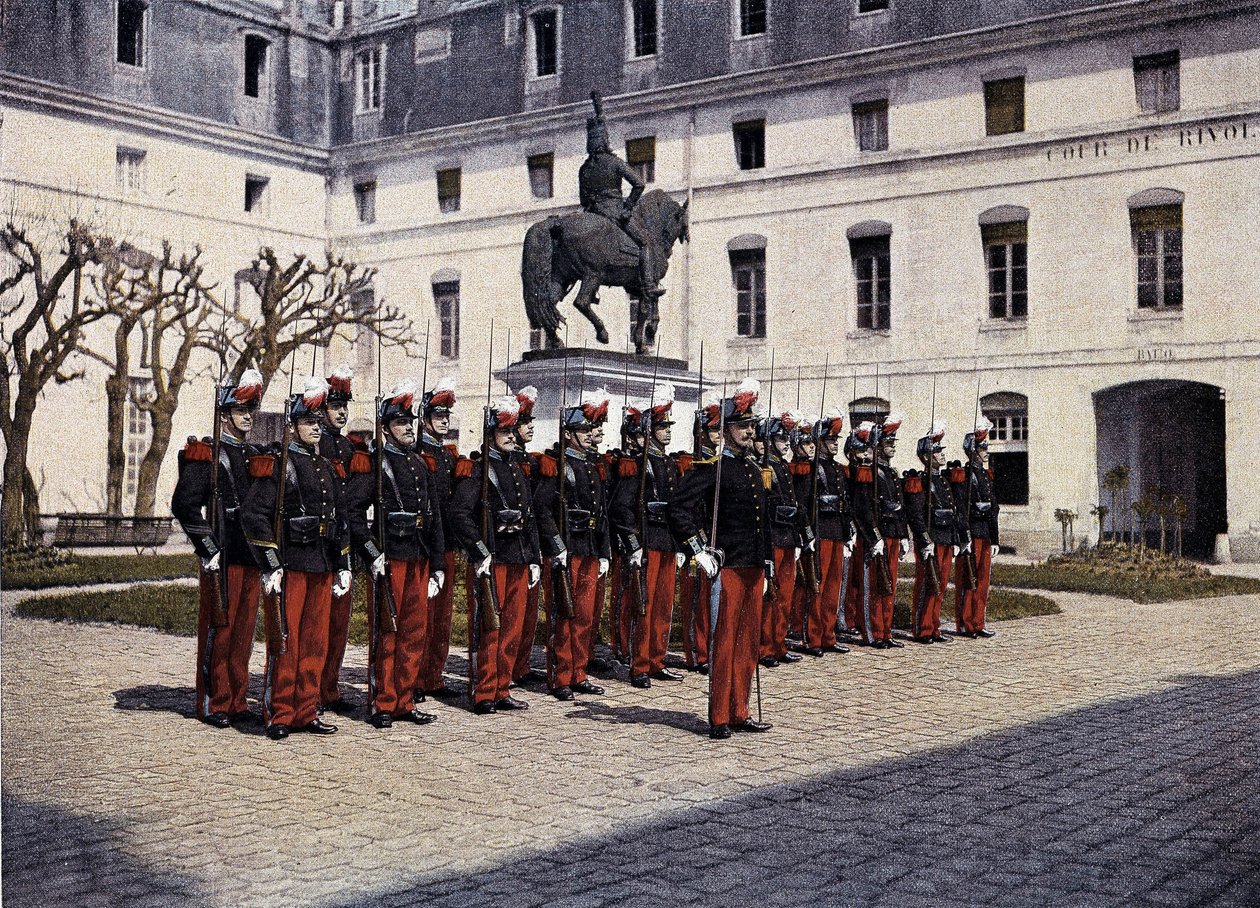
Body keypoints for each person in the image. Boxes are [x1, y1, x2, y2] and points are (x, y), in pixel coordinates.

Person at [242, 378, 352, 740]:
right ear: (292, 425)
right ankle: (280, 712)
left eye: (319, 421)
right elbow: (254, 515)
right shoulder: (279, 463)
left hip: (320, 563)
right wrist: (270, 561)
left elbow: (338, 519)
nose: (316, 427)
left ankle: (307, 709)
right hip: (291, 563)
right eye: (309, 421)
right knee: (285, 642)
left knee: (316, 642)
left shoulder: (326, 467)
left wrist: (342, 564)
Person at [670, 379, 773, 740]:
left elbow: (765, 521)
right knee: (725, 640)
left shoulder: (754, 469)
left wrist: (769, 562)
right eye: (743, 426)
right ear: (726, 429)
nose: (750, 432)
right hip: (727, 564)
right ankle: (719, 717)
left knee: (748, 642)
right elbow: (678, 509)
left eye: (752, 426)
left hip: (753, 565)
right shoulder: (711, 469)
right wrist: (698, 550)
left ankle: (740, 711)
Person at [346, 381, 445, 728]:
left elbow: (433, 518)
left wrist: (438, 564)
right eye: (401, 423)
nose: (408, 428)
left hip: (417, 556)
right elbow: (353, 512)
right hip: (390, 559)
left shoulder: (420, 464)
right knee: (387, 634)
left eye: (411, 422)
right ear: (386, 427)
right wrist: (371, 552)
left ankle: (405, 700)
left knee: (414, 632)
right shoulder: (376, 463)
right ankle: (383, 702)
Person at [171, 368, 264, 728]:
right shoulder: (208, 454)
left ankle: (238, 700)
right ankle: (214, 702)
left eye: (250, 410)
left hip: (250, 553)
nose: (247, 417)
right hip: (222, 554)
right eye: (240, 410)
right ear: (224, 414)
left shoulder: (255, 454)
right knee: (220, 630)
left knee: (243, 633)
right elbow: (184, 504)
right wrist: (208, 547)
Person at [449, 396, 542, 714]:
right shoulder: (479, 470)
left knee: (513, 628)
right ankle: (484, 691)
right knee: (491, 627)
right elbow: (460, 513)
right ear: (490, 432)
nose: (511, 436)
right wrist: (479, 550)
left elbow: (529, 518)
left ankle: (502, 688)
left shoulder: (516, 469)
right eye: (504, 430)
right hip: (494, 559)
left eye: (513, 430)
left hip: (517, 557)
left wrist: (534, 558)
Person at [534, 389, 613, 701]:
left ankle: (579, 672)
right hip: (568, 550)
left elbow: (602, 512)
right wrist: (557, 546)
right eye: (582, 431)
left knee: (585, 615)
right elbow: (542, 510)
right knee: (564, 615)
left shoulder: (592, 466)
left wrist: (605, 551)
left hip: (591, 548)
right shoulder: (556, 466)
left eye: (587, 430)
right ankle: (560, 677)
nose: (588, 436)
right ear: (568, 434)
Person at [609, 383, 686, 688]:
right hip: (646, 543)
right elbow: (621, 509)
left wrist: (680, 543)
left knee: (665, 605)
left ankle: (657, 659)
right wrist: (633, 545)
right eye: (661, 426)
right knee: (645, 605)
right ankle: (640, 665)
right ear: (648, 429)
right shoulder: (637, 465)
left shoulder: (668, 464)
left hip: (666, 542)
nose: (667, 432)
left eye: (668, 426)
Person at [578, 93, 663, 302]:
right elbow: (639, 184)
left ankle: (592, 289)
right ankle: (649, 284)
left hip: (592, 213)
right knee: (644, 243)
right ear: (605, 141)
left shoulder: (584, 168)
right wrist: (627, 207)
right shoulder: (614, 163)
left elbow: (583, 199)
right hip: (614, 212)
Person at [794, 409, 854, 657]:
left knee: (832, 587)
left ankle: (829, 635)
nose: (835, 445)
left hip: (836, 532)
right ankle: (814, 638)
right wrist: (807, 535)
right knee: (816, 588)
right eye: (830, 441)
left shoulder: (839, 470)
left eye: (836, 440)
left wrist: (848, 531)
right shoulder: (810, 469)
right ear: (819, 441)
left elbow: (845, 501)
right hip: (819, 533)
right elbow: (803, 504)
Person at [317, 364, 358, 713]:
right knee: (314, 625)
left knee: (338, 624)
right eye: (335, 406)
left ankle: (329, 688)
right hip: (317, 545)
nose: (342, 412)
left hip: (343, 542)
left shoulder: (350, 447)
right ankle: (308, 689)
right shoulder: (315, 445)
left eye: (345, 406)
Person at [417, 377, 460, 699]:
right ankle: (414, 679)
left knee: (442, 617)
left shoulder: (449, 456)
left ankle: (434, 677)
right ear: (425, 418)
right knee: (421, 618)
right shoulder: (417, 453)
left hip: (446, 543)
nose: (444, 421)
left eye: (447, 416)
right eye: (438, 416)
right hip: (424, 545)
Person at [904, 423, 961, 644]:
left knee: (941, 584)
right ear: (926, 457)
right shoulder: (921, 481)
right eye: (937, 451)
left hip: (946, 537)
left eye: (941, 450)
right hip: (931, 539)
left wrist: (955, 538)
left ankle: (935, 627)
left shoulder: (943, 481)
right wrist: (924, 540)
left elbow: (953, 511)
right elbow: (916, 516)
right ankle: (922, 628)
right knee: (928, 583)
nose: (942, 454)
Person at [676, 401, 722, 674]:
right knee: (696, 603)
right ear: (701, 432)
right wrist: (693, 544)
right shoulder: (692, 465)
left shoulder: (719, 464)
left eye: (720, 429)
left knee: (711, 601)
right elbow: (685, 509)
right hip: (697, 541)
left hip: (715, 541)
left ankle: (709, 651)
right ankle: (698, 654)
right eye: (713, 429)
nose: (718, 434)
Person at [508, 385, 549, 687]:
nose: (530, 427)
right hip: (509, 546)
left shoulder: (533, 461)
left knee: (528, 612)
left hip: (529, 543)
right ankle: (506, 669)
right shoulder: (512, 461)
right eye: (524, 423)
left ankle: (520, 665)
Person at [759, 410, 806, 668]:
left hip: (788, 537)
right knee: (772, 595)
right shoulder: (766, 469)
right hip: (774, 536)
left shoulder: (783, 468)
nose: (786, 442)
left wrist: (798, 538)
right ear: (768, 441)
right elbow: (766, 505)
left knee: (786, 594)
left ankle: (779, 643)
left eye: (787, 437)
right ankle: (765, 647)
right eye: (780, 438)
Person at [953, 417, 1001, 638]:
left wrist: (996, 538)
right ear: (973, 451)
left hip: (985, 534)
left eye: (986, 448)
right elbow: (961, 509)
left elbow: (994, 509)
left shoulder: (985, 474)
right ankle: (965, 623)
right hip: (972, 533)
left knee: (982, 581)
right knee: (968, 580)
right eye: (982, 448)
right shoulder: (964, 475)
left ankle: (978, 622)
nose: (986, 452)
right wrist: (965, 536)